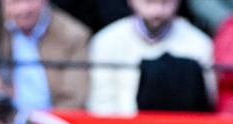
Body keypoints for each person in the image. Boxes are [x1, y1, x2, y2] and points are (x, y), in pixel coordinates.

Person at [0, 0, 90, 113]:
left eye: (29, 1)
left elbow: (73, 99)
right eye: (15, 2)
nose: (23, 9)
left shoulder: (73, 35)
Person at [86, 0, 215, 114]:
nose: (157, 11)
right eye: (149, 2)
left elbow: (205, 104)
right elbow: (101, 104)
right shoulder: (106, 41)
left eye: (165, 2)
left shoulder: (199, 44)